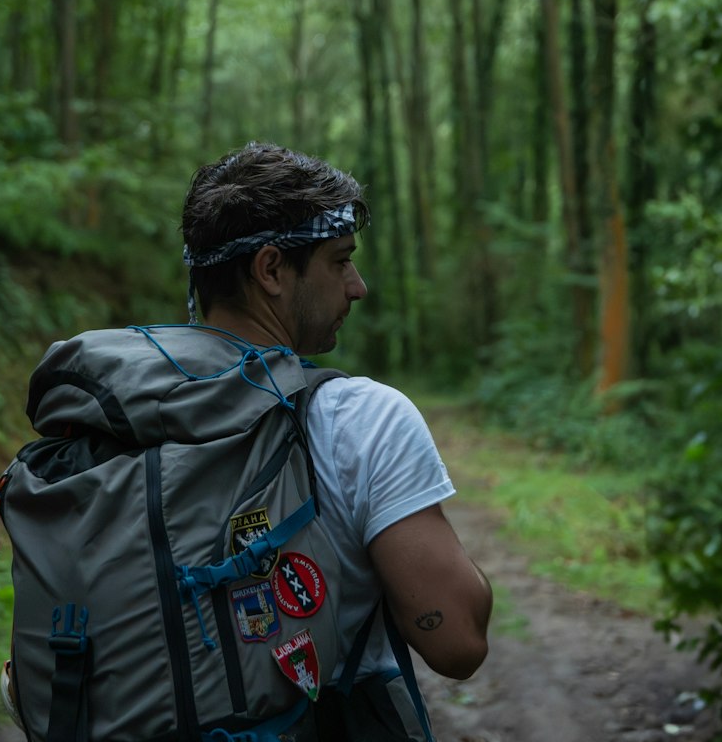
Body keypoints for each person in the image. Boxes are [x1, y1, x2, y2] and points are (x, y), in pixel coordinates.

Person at [181, 141, 492, 691]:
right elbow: (458, 643)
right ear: (271, 269)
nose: (358, 286)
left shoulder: (118, 415)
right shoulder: (363, 420)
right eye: (341, 260)